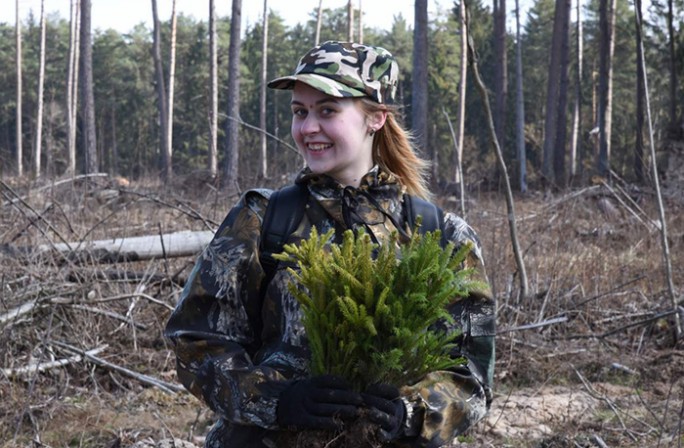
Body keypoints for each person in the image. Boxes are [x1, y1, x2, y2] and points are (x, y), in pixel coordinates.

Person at [164, 41, 495, 448]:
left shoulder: (440, 235)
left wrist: (410, 413)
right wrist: (275, 399)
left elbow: (471, 376)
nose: (307, 128)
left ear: (375, 118)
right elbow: (194, 341)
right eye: (300, 112)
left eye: (327, 110)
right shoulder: (263, 219)